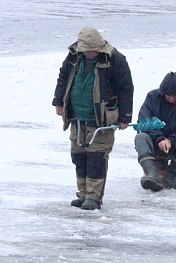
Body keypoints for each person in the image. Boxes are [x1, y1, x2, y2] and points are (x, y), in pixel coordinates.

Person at [53, 27, 134, 210]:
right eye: (87, 50)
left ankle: (94, 197)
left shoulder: (115, 59)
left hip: (102, 118)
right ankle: (82, 193)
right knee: (79, 156)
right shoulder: (74, 56)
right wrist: (58, 100)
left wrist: (125, 117)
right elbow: (63, 77)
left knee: (97, 158)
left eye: (93, 49)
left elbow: (126, 88)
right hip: (77, 117)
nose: (90, 53)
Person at [135, 72, 176, 191]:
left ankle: (170, 176)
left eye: (175, 96)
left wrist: (171, 140)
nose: (171, 98)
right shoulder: (152, 97)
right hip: (153, 142)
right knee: (141, 137)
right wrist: (159, 138)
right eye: (168, 95)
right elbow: (144, 121)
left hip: (175, 144)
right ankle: (152, 174)